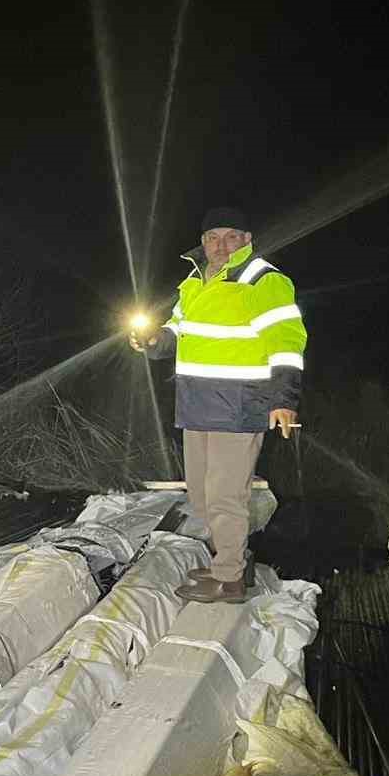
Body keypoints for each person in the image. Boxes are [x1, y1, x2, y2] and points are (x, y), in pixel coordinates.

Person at [130, 206, 307, 603]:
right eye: (212, 237)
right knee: (200, 494)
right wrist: (157, 340)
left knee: (226, 494)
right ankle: (233, 560)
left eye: (230, 236)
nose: (220, 245)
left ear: (246, 239)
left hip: (240, 404)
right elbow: (179, 329)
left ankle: (228, 578)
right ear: (203, 241)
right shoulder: (195, 281)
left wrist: (284, 400)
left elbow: (287, 341)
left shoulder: (263, 280)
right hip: (196, 403)